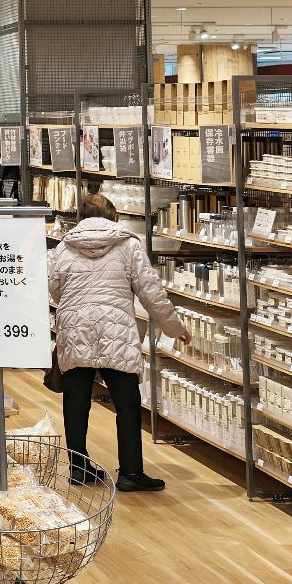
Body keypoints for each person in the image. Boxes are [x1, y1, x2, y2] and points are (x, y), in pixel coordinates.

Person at [49, 193, 188, 492]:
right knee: (127, 403)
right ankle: (131, 472)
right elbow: (150, 292)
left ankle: (78, 467)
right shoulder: (128, 246)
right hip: (117, 332)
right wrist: (174, 328)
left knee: (76, 401)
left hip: (76, 329)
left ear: (80, 217)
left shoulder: (64, 247)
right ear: (113, 216)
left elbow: (54, 290)